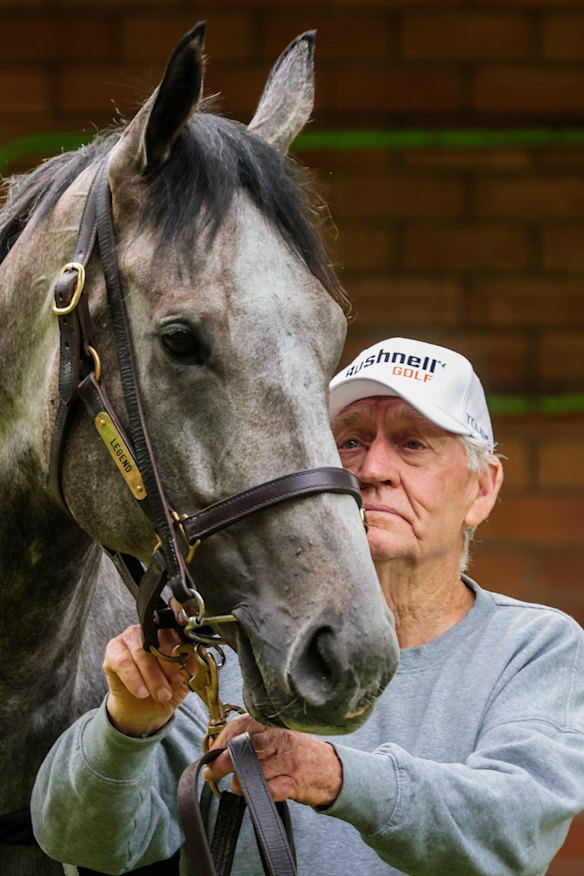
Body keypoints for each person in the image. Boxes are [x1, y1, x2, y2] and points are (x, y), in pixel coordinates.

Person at [32, 337, 584, 876]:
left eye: (413, 444)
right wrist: (126, 727)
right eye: (350, 442)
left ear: (483, 489)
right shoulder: (234, 638)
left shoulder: (535, 648)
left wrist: (332, 776)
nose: (372, 470)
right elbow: (80, 842)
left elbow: (513, 831)